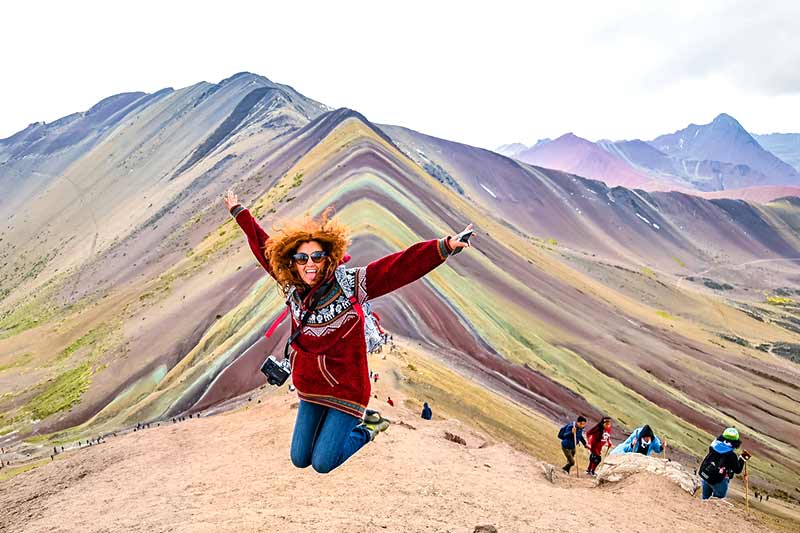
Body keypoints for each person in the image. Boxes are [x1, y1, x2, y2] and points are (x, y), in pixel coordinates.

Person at [225, 190, 472, 474]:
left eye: (317, 256)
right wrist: (239, 212)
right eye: (301, 258)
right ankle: (335, 430)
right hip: (310, 386)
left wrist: (445, 246)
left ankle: (369, 427)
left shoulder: (353, 283)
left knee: (322, 463)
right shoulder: (291, 285)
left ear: (328, 257)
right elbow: (262, 246)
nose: (310, 264)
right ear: (291, 260)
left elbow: (399, 267)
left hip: (347, 389)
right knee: (299, 458)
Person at [698, 427, 750, 500]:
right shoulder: (731, 455)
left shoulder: (713, 445)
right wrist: (742, 459)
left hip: (706, 475)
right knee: (718, 500)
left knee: (705, 498)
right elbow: (737, 470)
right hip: (720, 480)